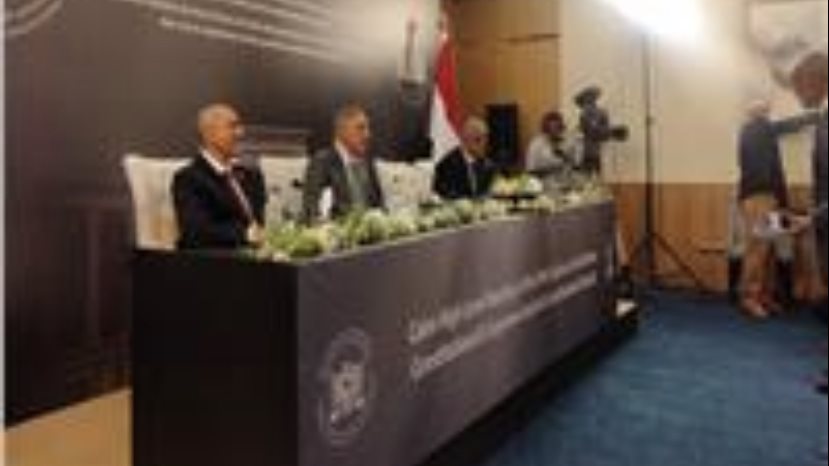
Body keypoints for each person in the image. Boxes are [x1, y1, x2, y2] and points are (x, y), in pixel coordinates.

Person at [737, 99, 820, 318]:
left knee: (769, 249)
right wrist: (813, 116)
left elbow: (782, 127)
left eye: (766, 106)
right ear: (750, 110)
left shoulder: (765, 130)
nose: (765, 108)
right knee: (758, 248)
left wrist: (782, 202)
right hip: (758, 196)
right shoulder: (752, 129)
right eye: (760, 105)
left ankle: (764, 295)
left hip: (770, 197)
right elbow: (784, 125)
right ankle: (749, 298)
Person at [172, 104, 266, 250]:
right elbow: (195, 231)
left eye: (239, 126)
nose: (240, 133)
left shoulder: (250, 176)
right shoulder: (188, 179)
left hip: (253, 256)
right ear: (208, 133)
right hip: (213, 259)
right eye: (232, 126)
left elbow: (258, 222)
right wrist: (245, 235)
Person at [302, 104, 385, 222]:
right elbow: (311, 210)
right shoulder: (322, 162)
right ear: (341, 131)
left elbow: (380, 207)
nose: (367, 135)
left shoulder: (368, 163)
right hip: (337, 230)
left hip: (371, 230)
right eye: (360, 128)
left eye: (368, 129)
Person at [433, 117, 497, 200]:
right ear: (465, 139)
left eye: (486, 139)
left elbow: (488, 193)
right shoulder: (447, 165)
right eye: (478, 140)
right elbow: (444, 194)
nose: (483, 145)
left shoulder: (488, 165)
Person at [575, 86, 626, 175]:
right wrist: (612, 132)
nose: (589, 104)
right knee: (587, 175)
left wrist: (611, 132)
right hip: (587, 151)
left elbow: (601, 131)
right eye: (586, 101)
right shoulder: (584, 115)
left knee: (597, 175)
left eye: (591, 99)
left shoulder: (602, 112)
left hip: (598, 150)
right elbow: (592, 131)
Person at [525, 111, 576, 178]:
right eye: (551, 128)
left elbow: (573, 163)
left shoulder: (568, 142)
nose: (555, 131)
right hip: (543, 178)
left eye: (558, 127)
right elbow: (530, 169)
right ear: (545, 128)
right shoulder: (536, 144)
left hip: (564, 178)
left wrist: (566, 160)